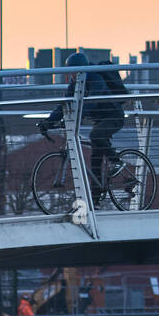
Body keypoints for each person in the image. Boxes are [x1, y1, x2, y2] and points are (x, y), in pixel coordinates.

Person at [38, 52, 125, 203]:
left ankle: (117, 161)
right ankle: (96, 198)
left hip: (114, 117)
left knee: (95, 136)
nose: (71, 75)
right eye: (70, 72)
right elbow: (64, 104)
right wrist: (49, 122)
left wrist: (74, 116)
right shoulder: (75, 83)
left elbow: (91, 103)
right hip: (100, 120)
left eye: (73, 71)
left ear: (81, 70)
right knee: (95, 159)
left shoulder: (96, 79)